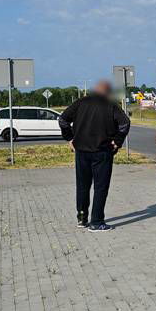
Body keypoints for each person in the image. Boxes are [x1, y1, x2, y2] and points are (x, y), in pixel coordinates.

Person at [59, 80, 130, 230]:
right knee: (100, 187)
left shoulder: (80, 103)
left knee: (82, 186)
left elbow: (63, 120)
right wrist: (117, 141)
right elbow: (125, 124)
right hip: (103, 151)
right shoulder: (111, 106)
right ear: (108, 92)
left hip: (82, 151)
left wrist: (70, 138)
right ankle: (97, 222)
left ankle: (82, 218)